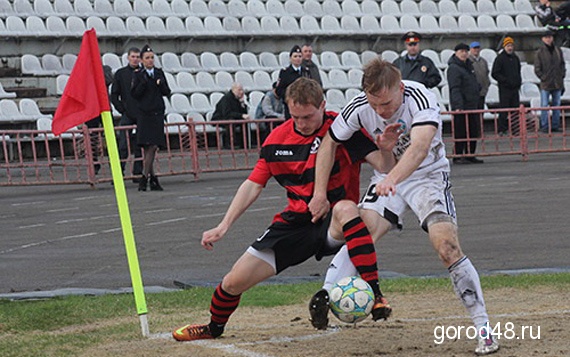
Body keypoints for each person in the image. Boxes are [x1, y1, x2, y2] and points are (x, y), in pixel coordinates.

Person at [172, 78, 391, 342]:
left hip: (333, 222)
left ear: (323, 106)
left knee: (346, 208)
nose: (302, 123)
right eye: (295, 116)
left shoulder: (342, 129)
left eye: (308, 116)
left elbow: (384, 166)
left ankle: (376, 295)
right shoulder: (277, 139)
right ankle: (213, 328)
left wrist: (387, 149)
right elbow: (253, 185)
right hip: (295, 224)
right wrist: (223, 225)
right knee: (232, 282)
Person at [308, 58, 499, 356]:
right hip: (389, 176)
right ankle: (326, 292)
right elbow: (329, 143)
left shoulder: (420, 96)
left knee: (446, 246)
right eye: (375, 106)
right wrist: (319, 192)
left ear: (399, 88)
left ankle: (484, 329)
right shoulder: (358, 106)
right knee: (361, 232)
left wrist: (392, 178)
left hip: (428, 177)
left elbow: (420, 148)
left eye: (386, 104)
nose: (381, 112)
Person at [131, 44, 171, 191]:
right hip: (144, 114)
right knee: (148, 147)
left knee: (153, 146)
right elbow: (135, 94)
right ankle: (151, 178)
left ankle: (145, 177)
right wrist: (144, 82)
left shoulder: (159, 73)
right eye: (147, 58)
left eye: (152, 58)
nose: (150, 60)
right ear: (142, 60)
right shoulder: (138, 75)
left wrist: (159, 85)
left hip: (156, 113)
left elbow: (167, 91)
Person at [110, 47, 143, 183]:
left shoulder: (144, 73)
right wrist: (122, 109)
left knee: (141, 144)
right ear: (128, 57)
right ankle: (119, 173)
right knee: (123, 144)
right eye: (133, 56)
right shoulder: (121, 73)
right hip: (128, 114)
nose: (135, 59)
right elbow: (114, 94)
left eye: (137, 57)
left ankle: (138, 172)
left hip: (142, 113)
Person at [447, 43, 484, 164]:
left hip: (472, 103)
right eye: (461, 51)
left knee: (473, 130)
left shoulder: (469, 66)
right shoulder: (454, 68)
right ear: (456, 53)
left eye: (466, 51)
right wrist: (458, 106)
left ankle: (470, 154)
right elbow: (455, 88)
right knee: (460, 131)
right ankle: (458, 155)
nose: (464, 54)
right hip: (461, 106)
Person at [534, 30, 566, 133]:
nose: (548, 39)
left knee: (557, 105)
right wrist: (543, 77)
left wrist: (562, 75)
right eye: (546, 37)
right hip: (546, 83)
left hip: (557, 82)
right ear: (543, 39)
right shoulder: (539, 52)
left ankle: (555, 125)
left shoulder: (558, 50)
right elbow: (537, 68)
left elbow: (562, 64)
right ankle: (544, 126)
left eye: (550, 37)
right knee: (544, 105)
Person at [85, 64, 114, 174]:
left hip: (104, 107)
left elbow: (109, 80)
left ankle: (113, 161)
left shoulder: (105, 68)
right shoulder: (85, 70)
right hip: (91, 108)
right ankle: (94, 163)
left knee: (110, 136)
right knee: (92, 137)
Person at [491, 36, 522, 136]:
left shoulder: (515, 58)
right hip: (504, 89)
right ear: (504, 46)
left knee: (515, 110)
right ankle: (502, 129)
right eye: (508, 45)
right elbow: (495, 73)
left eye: (511, 45)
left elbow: (518, 71)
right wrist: (505, 81)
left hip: (514, 88)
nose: (510, 48)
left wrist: (518, 82)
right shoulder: (500, 58)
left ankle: (515, 129)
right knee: (504, 110)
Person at [276, 45, 311, 119]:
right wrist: (290, 96)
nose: (298, 58)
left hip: (304, 105)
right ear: (290, 58)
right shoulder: (285, 72)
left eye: (299, 56)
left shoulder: (306, 72)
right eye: (295, 56)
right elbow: (278, 90)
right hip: (290, 107)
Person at [211, 82, 250, 149]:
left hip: (232, 117)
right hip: (220, 118)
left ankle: (244, 144)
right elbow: (227, 113)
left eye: (242, 90)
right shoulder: (226, 99)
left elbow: (243, 113)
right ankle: (230, 143)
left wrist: (242, 104)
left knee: (244, 121)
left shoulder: (238, 100)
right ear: (234, 90)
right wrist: (241, 115)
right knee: (231, 122)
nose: (242, 92)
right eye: (239, 90)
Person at [469, 42, 491, 112]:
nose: (476, 50)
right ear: (470, 49)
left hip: (482, 92)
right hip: (472, 94)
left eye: (478, 48)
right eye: (474, 48)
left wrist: (486, 86)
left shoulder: (483, 61)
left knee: (481, 112)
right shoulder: (468, 61)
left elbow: (487, 74)